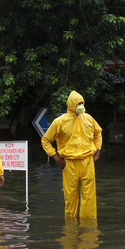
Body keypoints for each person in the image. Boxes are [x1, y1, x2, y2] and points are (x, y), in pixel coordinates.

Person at [42, 90, 102, 220]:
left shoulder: (89, 118)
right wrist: (55, 157)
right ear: (71, 105)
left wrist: (97, 152)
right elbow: (45, 140)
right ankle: (70, 228)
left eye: (82, 103)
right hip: (69, 163)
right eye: (78, 103)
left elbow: (98, 133)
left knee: (89, 198)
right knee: (70, 198)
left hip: (87, 162)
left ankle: (88, 231)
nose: (81, 105)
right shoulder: (60, 122)